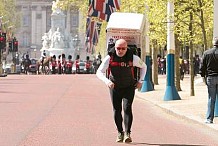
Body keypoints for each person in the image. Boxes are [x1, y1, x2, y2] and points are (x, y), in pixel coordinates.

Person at [96, 39, 147, 143]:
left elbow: (144, 67)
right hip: (114, 87)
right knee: (116, 109)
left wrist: (141, 81)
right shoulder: (109, 58)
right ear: (115, 48)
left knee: (127, 108)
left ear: (127, 48)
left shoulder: (133, 58)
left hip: (129, 87)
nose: (120, 50)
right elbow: (99, 72)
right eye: (118, 48)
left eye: (123, 48)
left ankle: (127, 133)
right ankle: (120, 132)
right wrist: (107, 82)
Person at [199, 36, 218, 124]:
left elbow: (202, 66)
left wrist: (203, 76)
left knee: (211, 98)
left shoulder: (207, 53)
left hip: (210, 77)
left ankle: (209, 118)